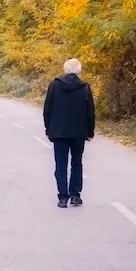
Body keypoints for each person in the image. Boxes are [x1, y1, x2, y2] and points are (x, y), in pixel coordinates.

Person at [43, 58, 95, 208]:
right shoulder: (84, 88)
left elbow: (47, 109)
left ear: (65, 68)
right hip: (79, 132)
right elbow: (90, 112)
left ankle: (62, 198)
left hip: (58, 132)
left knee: (60, 164)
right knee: (76, 162)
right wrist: (90, 131)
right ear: (79, 69)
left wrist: (48, 128)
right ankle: (75, 195)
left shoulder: (54, 85)